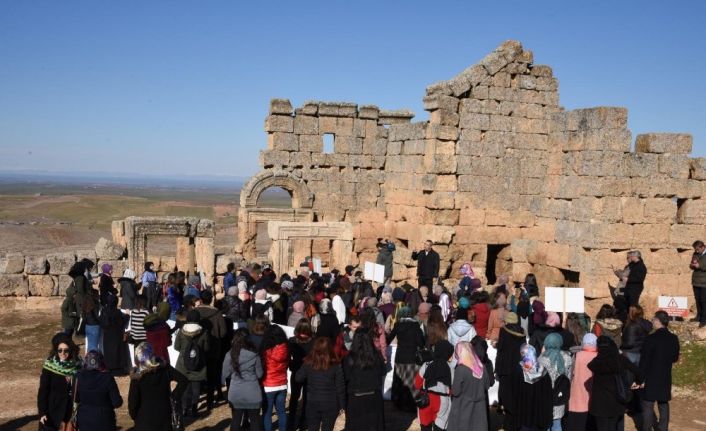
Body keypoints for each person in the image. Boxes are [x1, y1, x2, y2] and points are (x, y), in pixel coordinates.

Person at [128, 342, 187, 431]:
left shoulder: (137, 377)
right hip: (164, 417)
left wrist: (134, 416)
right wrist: (174, 396)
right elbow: (183, 380)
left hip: (144, 420)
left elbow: (133, 402)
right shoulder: (164, 368)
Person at [588, 336, 643, 431]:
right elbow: (638, 372)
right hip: (617, 401)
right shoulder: (620, 359)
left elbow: (590, 365)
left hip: (600, 404)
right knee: (613, 427)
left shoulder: (597, 363)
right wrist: (638, 382)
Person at [639, 310, 680, 431]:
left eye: (653, 320)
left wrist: (640, 378)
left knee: (648, 404)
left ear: (658, 321)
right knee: (663, 404)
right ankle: (663, 429)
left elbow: (644, 361)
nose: (652, 322)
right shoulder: (673, 338)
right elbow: (675, 358)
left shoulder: (650, 338)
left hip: (651, 376)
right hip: (665, 375)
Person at [295, 337, 346, 431]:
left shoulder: (309, 363)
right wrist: (343, 405)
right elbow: (340, 387)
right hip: (330, 403)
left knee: (312, 428)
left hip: (313, 402)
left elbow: (298, 378)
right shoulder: (336, 364)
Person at [343, 330, 387, 431]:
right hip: (372, 397)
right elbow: (383, 373)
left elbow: (345, 377)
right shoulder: (376, 356)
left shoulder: (349, 358)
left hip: (356, 399)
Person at [37, 333, 82, 431]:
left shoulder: (78, 365)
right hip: (53, 410)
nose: (63, 353)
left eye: (66, 350)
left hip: (71, 409)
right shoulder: (49, 366)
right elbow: (43, 391)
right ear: (56, 351)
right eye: (60, 350)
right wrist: (42, 412)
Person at [222, 329, 264, 431]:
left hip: (236, 393)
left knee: (236, 420)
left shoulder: (229, 354)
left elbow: (225, 374)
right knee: (255, 421)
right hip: (253, 393)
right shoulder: (254, 354)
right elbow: (260, 374)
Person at [386, 306, 425, 412]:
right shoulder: (415, 325)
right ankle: (411, 404)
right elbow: (421, 343)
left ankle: (399, 403)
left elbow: (388, 339)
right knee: (411, 382)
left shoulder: (397, 325)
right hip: (412, 357)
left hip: (400, 357)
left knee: (400, 381)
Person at [447, 341, 491, 431]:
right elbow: (487, 386)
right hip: (480, 409)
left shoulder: (461, 369)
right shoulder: (482, 367)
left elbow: (456, 391)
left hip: (463, 408)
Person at [75, 350, 123, 431]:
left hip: (84, 420)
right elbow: (117, 403)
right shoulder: (108, 378)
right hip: (104, 420)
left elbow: (76, 399)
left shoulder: (78, 377)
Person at [174, 309, 211, 417]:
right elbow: (206, 348)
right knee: (196, 388)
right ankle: (194, 408)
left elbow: (176, 347)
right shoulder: (204, 332)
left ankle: (185, 408)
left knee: (185, 388)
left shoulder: (181, 331)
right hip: (198, 363)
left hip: (183, 364)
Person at [196, 289, 227, 409]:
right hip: (214, 348)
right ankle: (210, 401)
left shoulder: (196, 312)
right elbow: (223, 332)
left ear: (200, 299)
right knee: (212, 374)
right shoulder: (217, 313)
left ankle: (196, 402)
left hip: (199, 348)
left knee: (198, 373)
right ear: (211, 299)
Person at [494, 312, 525, 431]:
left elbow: (501, 350)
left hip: (505, 367)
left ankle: (507, 424)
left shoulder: (504, 330)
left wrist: (497, 369)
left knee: (506, 397)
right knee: (516, 395)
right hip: (518, 367)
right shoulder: (522, 332)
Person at [416, 340, 455, 431]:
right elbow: (452, 389)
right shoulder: (451, 368)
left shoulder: (426, 364)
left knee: (425, 428)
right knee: (440, 428)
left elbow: (417, 384)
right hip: (443, 401)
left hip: (426, 399)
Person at [538, 333, 573, 431]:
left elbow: (537, 376)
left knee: (546, 425)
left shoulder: (543, 359)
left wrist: (541, 353)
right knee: (557, 424)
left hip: (545, 397)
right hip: (560, 396)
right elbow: (568, 378)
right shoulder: (567, 357)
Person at [516, 344, 553, 431]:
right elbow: (548, 396)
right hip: (540, 416)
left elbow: (515, 395)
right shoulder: (543, 371)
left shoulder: (518, 372)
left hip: (524, 416)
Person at [566, 333, 598, 431]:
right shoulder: (597, 356)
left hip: (577, 393)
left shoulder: (577, 355)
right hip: (593, 393)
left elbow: (570, 373)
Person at [261, 324, 289, 431]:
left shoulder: (266, 351)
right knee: (281, 411)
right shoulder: (286, 348)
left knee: (267, 413)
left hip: (268, 385)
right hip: (282, 384)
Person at [288, 318, 314, 431]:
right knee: (300, 398)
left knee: (299, 398)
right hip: (303, 373)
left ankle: (296, 422)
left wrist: (292, 365)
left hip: (301, 372)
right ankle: (298, 421)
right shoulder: (313, 341)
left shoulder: (292, 340)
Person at [99, 294, 130, 375]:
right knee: (118, 352)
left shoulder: (104, 311)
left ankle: (110, 368)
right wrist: (127, 315)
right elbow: (122, 322)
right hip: (116, 335)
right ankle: (118, 370)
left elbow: (101, 323)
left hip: (107, 335)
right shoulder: (117, 312)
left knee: (109, 352)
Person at [690, 240, 706, 327]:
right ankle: (698, 316)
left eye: (697, 249)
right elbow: (692, 264)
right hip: (696, 281)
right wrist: (692, 265)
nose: (696, 251)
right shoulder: (695, 254)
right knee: (697, 300)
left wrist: (699, 266)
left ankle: (704, 319)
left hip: (704, 282)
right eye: (695, 249)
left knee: (704, 301)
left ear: (702, 247)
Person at [83, 288, 102, 353]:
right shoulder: (96, 303)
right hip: (95, 326)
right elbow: (98, 315)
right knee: (94, 346)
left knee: (90, 344)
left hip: (87, 325)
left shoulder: (85, 302)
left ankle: (88, 360)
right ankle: (93, 361)